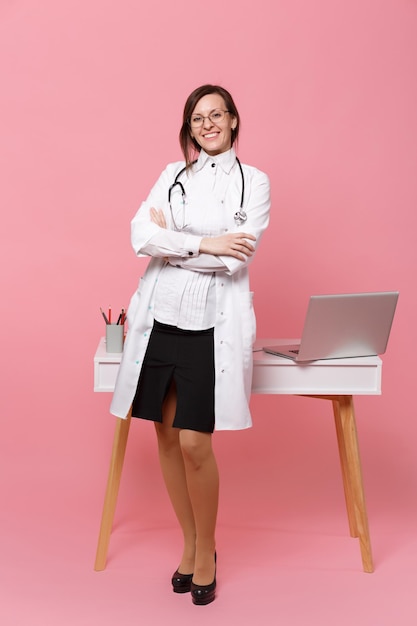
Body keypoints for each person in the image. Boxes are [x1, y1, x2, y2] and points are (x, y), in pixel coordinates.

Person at [110, 84, 270, 605]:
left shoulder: (255, 183)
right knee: (164, 435)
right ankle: (190, 542)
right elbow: (139, 235)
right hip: (162, 319)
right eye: (197, 118)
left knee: (195, 442)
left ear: (234, 121)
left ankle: (208, 549)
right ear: (190, 127)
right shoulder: (171, 176)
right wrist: (204, 242)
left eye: (216, 115)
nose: (207, 124)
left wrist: (173, 242)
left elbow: (235, 257)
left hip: (209, 326)